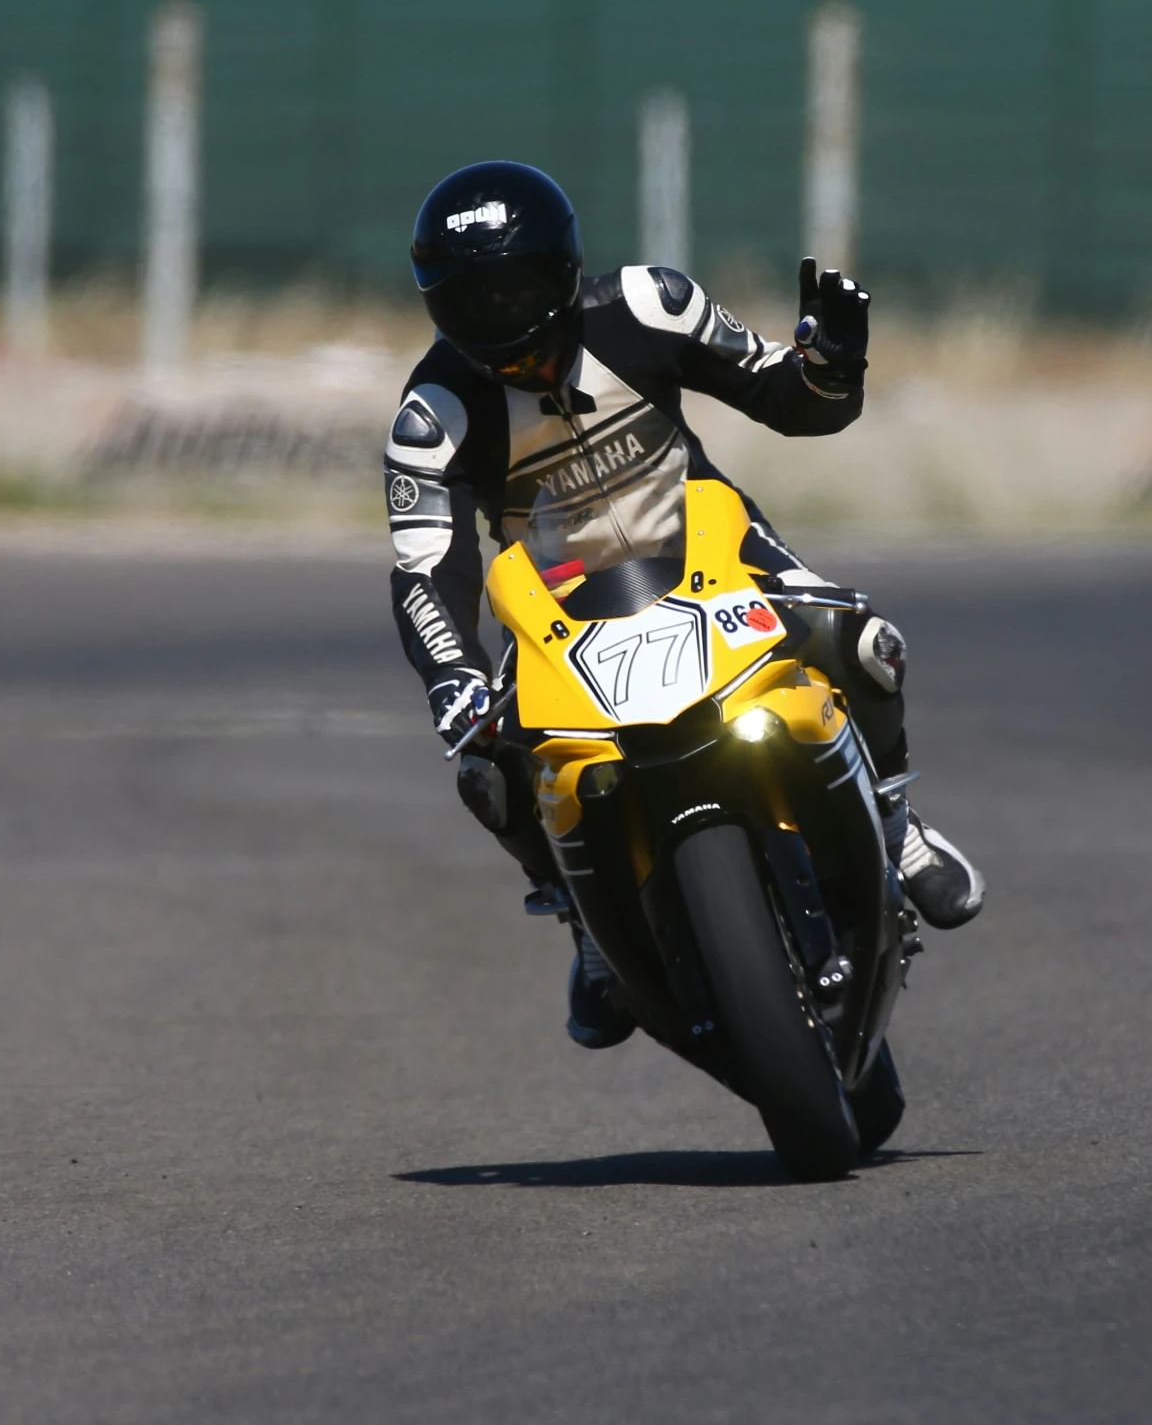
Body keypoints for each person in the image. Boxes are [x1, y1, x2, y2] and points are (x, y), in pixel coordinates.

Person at [384, 160, 985, 1049]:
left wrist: (830, 365)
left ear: (562, 268)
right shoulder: (433, 413)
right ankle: (586, 924)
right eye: (474, 299)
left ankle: (895, 825)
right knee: (489, 770)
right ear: (438, 305)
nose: (502, 317)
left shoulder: (651, 304)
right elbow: (424, 568)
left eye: (516, 289)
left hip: (713, 549)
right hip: (557, 610)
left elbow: (789, 400)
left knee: (866, 643)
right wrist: (454, 680)